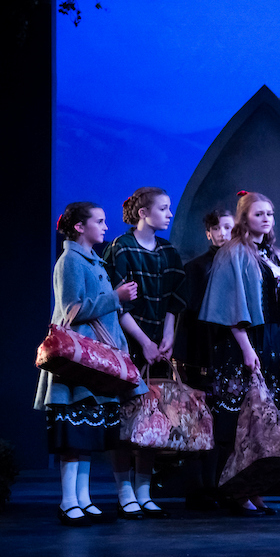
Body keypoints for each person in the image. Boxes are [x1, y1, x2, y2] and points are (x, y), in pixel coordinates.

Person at [36, 203, 146, 526]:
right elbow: (72, 309)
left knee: (86, 431)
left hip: (95, 364)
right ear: (80, 227)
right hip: (77, 362)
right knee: (72, 432)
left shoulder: (95, 261)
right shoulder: (69, 260)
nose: (105, 227)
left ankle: (82, 498)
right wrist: (116, 297)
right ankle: (68, 500)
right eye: (99, 221)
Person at [199, 191, 280, 516]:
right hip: (242, 342)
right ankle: (235, 491)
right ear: (245, 218)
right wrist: (246, 349)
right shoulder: (233, 253)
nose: (266, 219)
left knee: (266, 423)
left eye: (270, 214)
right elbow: (231, 307)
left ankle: (255, 489)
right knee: (239, 421)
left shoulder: (274, 252)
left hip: (273, 341)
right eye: (259, 214)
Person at [104, 186, 187, 519]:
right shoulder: (121, 249)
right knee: (126, 419)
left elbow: (174, 300)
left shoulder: (168, 252)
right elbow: (116, 304)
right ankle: (124, 490)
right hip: (129, 343)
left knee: (152, 417)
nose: (169, 214)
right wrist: (144, 343)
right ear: (143, 213)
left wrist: (166, 337)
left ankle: (144, 490)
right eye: (164, 209)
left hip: (157, 345)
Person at [177, 208, 233, 512]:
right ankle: (196, 488)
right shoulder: (197, 267)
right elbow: (191, 314)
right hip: (203, 350)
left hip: (228, 351)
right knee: (199, 421)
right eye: (220, 228)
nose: (225, 233)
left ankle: (218, 485)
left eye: (230, 227)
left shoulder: (239, 263)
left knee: (224, 423)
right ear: (209, 232)